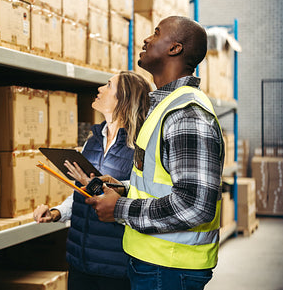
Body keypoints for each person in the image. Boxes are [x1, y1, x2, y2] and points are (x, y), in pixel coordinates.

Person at [85, 16, 225, 290]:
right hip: (154, 262)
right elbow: (161, 183)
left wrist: (120, 209)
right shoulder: (164, 107)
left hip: (170, 268)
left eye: (156, 33)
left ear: (174, 48)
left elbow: (195, 206)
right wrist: (123, 188)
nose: (147, 39)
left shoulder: (187, 114)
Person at [33, 71, 151, 290]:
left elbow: (138, 201)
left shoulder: (139, 148)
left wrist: (97, 187)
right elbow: (80, 193)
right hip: (80, 260)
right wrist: (56, 212)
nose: (99, 89)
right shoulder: (93, 142)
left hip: (116, 264)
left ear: (124, 99)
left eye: (108, 85)